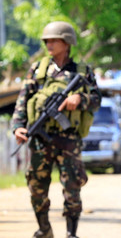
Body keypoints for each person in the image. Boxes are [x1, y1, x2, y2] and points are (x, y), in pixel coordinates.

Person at [12, 21, 101, 238]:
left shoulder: (82, 71)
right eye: (47, 41)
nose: (49, 44)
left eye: (53, 40)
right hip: (40, 139)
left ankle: (71, 233)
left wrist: (79, 99)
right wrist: (17, 127)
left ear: (67, 42)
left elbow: (97, 99)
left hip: (68, 139)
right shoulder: (38, 69)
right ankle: (44, 229)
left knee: (73, 188)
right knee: (36, 187)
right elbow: (23, 100)